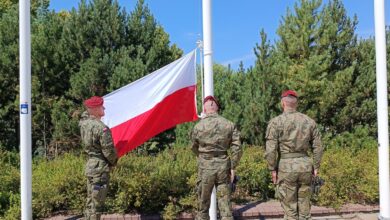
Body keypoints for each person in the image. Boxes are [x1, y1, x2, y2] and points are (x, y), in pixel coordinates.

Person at [265, 90, 324, 220]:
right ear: (296, 104)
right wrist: (316, 166)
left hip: (286, 167)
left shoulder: (276, 122)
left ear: (282, 103)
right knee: (305, 209)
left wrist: (272, 168)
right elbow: (318, 146)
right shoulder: (309, 121)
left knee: (290, 209)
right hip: (305, 166)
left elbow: (270, 149)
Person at [191, 95, 242, 220]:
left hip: (205, 167)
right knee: (225, 206)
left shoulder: (198, 127)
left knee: (203, 206)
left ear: (204, 108)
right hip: (223, 167)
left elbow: (193, 147)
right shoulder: (229, 124)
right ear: (217, 107)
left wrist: (203, 157)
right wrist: (233, 166)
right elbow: (237, 147)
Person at [79, 96, 118, 220]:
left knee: (90, 202)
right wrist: (114, 162)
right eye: (101, 106)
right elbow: (108, 151)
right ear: (95, 109)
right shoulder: (101, 128)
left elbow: (84, 115)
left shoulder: (83, 124)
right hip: (100, 170)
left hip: (91, 167)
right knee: (97, 205)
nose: (104, 108)